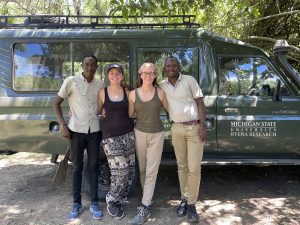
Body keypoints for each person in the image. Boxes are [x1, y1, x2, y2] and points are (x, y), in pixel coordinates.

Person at [53, 54, 104, 220]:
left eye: (93, 65)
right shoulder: (71, 81)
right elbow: (56, 103)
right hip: (76, 132)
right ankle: (77, 203)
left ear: (96, 67)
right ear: (82, 65)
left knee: (93, 167)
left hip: (94, 131)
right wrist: (63, 124)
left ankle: (94, 202)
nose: (90, 68)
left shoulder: (100, 84)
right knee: (77, 167)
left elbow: (101, 105)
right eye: (87, 64)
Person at [160, 56, 206, 223]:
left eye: (174, 65)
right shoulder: (163, 85)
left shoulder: (189, 80)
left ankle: (192, 204)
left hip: (194, 128)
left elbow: (200, 102)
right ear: (164, 69)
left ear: (178, 66)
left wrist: (202, 125)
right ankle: (184, 199)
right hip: (176, 128)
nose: (171, 68)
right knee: (182, 166)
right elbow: (147, 93)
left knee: (194, 168)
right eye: (168, 66)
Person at [128, 63, 168, 225]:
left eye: (151, 73)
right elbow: (130, 114)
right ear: (140, 74)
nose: (148, 75)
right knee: (143, 169)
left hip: (157, 134)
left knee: (152, 170)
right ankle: (148, 198)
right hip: (140, 133)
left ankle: (144, 206)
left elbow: (170, 110)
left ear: (155, 75)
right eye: (145, 73)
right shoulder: (132, 94)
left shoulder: (160, 93)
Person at [97, 63, 135, 220]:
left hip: (128, 134)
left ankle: (119, 199)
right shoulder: (102, 92)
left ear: (122, 75)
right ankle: (111, 199)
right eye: (111, 73)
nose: (114, 75)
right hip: (110, 136)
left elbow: (132, 113)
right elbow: (97, 110)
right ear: (108, 76)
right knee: (121, 170)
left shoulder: (127, 92)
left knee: (130, 171)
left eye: (118, 73)